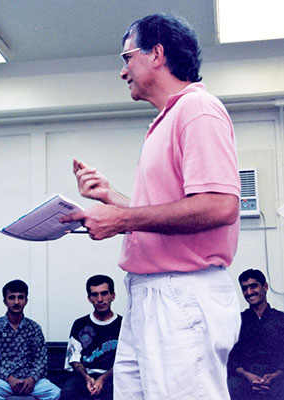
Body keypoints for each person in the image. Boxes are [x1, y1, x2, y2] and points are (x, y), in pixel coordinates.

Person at [59, 13, 241, 400]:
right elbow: (167, 214)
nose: (123, 71)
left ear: (156, 54)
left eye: (127, 58)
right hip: (148, 295)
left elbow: (220, 206)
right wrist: (111, 198)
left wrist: (122, 217)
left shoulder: (199, 110)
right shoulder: (167, 119)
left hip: (181, 295)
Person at [0, 279, 61, 400]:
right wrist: (9, 378)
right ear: (5, 301)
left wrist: (32, 379)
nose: (16, 302)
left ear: (26, 301)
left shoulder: (34, 328)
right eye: (12, 297)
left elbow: (41, 360)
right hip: (5, 381)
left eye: (20, 297)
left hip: (31, 381)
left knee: (55, 393)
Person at [63, 275, 122, 400]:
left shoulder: (123, 325)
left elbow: (126, 360)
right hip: (85, 376)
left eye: (104, 293)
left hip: (114, 377)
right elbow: (74, 359)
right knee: (67, 393)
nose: (100, 299)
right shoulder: (80, 324)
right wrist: (86, 378)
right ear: (89, 298)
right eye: (94, 295)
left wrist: (103, 379)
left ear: (113, 296)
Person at [227, 269, 284, 399]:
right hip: (245, 381)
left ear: (265, 287)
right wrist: (247, 376)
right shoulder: (237, 322)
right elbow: (231, 357)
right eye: (244, 288)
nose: (249, 292)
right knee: (231, 385)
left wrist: (275, 375)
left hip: (278, 380)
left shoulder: (281, 320)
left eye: (253, 286)